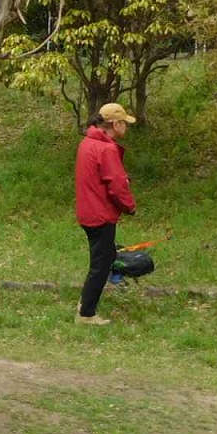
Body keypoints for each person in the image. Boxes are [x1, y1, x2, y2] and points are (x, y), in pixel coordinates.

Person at [74, 103, 137, 327]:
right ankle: (86, 313)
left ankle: (85, 303)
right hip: (100, 214)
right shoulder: (107, 149)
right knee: (100, 265)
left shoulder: (88, 142)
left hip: (88, 211)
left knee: (107, 257)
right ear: (115, 124)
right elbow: (117, 185)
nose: (126, 128)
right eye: (125, 123)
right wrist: (130, 206)